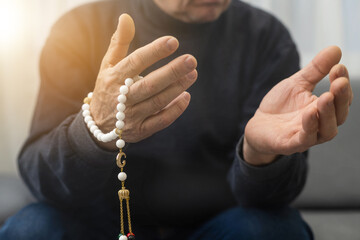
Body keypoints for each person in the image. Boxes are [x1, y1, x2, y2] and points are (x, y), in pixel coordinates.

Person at [0, 0, 352, 239]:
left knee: (273, 230)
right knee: (33, 228)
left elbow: (273, 199)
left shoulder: (265, 38)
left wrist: (259, 155)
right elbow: (41, 177)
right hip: (100, 223)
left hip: (218, 224)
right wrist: (94, 127)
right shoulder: (79, 28)